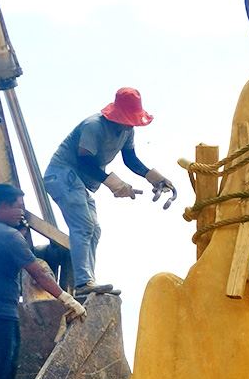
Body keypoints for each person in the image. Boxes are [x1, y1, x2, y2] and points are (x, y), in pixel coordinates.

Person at [0, 184, 86, 379]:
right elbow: (39, 275)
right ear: (3, 206)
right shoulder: (9, 237)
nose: (21, 213)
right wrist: (67, 299)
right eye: (19, 207)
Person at [43, 87, 176, 296]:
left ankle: (87, 281)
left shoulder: (126, 131)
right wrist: (114, 183)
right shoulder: (93, 126)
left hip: (77, 181)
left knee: (94, 229)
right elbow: (84, 161)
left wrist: (154, 177)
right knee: (84, 226)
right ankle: (83, 283)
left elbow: (130, 159)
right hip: (62, 175)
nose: (130, 124)